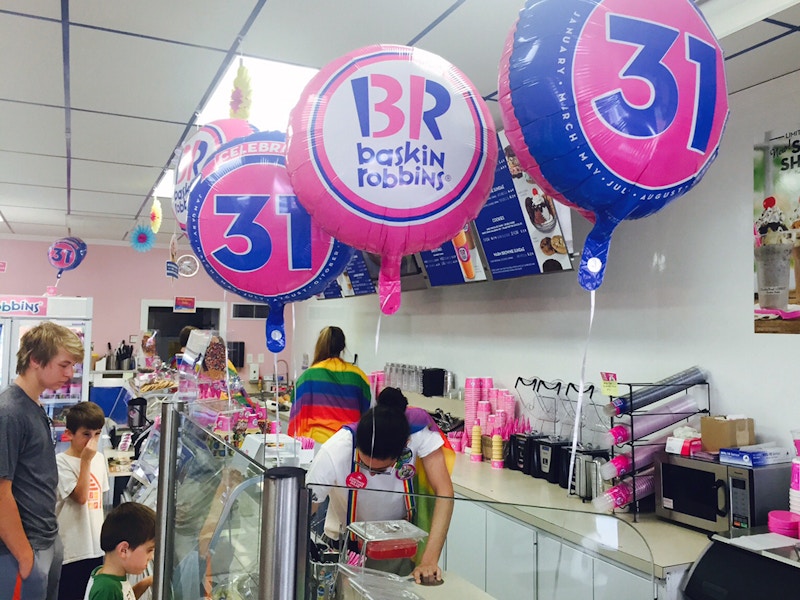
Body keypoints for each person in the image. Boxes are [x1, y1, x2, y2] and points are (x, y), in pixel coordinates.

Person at [306, 387, 454, 584]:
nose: (372, 474)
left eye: (382, 470)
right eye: (365, 466)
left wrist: (429, 560)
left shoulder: (418, 433)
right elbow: (306, 509)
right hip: (345, 546)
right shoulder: (337, 449)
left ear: (404, 447)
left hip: (397, 547)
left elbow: (444, 493)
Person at [0, 321, 84, 600]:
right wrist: (25, 556)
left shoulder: (34, 405)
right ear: (36, 360)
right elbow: (1, 493)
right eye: (64, 365)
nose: (70, 374)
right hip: (21, 551)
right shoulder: (9, 412)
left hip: (45, 539)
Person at [56, 401, 110, 600]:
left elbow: (99, 503)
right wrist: (86, 461)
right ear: (69, 434)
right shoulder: (61, 462)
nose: (92, 441)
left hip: (96, 547)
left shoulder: (99, 459)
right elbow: (80, 497)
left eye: (97, 434)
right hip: (72, 551)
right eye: (86, 434)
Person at [288, 326, 371, 443]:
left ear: (319, 346)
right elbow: (365, 411)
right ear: (342, 347)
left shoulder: (308, 376)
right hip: (348, 444)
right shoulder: (359, 376)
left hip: (316, 444)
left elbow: (296, 412)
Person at [84, 502, 155, 600]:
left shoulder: (110, 577)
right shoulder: (106, 589)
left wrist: (146, 583)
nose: (151, 557)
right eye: (149, 550)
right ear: (124, 550)